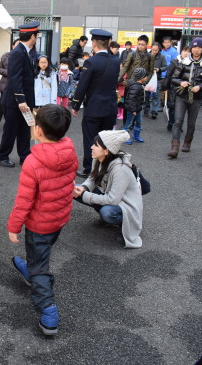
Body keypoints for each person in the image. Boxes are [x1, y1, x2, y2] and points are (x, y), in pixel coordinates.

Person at [7, 104, 77, 336]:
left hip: (39, 224)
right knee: (41, 251)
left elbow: (24, 201)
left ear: (37, 131)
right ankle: (30, 270)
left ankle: (48, 310)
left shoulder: (33, 162)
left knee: (40, 266)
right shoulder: (70, 152)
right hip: (58, 218)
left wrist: (14, 226)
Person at [73, 130, 143, 249]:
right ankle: (106, 220)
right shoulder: (99, 158)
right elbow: (92, 179)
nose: (91, 147)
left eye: (96, 145)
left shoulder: (121, 169)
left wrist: (85, 194)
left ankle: (124, 225)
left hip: (126, 205)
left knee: (107, 212)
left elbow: (113, 200)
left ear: (106, 151)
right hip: (111, 197)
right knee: (75, 190)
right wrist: (83, 188)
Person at [71, 29, 121, 177]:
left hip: (94, 107)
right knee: (106, 141)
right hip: (110, 107)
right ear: (109, 43)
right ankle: (104, 167)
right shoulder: (116, 61)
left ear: (93, 44)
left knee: (90, 139)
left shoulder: (91, 62)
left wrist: (75, 104)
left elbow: (83, 85)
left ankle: (89, 168)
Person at [0, 21, 39, 168]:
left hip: (22, 100)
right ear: (33, 36)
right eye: (36, 35)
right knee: (11, 130)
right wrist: (21, 99)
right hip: (15, 101)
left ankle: (24, 155)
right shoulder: (18, 52)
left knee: (24, 129)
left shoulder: (24, 51)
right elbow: (15, 78)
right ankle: (2, 156)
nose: (37, 37)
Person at [168, 37, 202, 158]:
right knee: (178, 122)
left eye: (199, 48)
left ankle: (187, 143)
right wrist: (181, 83)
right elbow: (174, 78)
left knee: (191, 123)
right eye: (195, 47)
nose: (197, 50)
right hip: (181, 96)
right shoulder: (183, 62)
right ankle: (174, 148)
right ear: (191, 48)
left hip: (196, 97)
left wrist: (200, 86)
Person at [0, 39, 20, 132]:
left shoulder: (23, 57)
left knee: (17, 106)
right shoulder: (6, 56)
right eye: (17, 45)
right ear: (13, 46)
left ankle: (11, 125)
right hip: (5, 85)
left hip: (18, 85)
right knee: (1, 106)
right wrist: (9, 72)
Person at [162, 46, 191, 131]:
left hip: (185, 88)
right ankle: (171, 123)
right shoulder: (175, 62)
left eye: (188, 52)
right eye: (185, 51)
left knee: (182, 108)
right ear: (181, 52)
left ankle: (178, 125)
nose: (186, 53)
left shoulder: (191, 63)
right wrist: (165, 86)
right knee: (172, 106)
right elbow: (168, 74)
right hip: (173, 87)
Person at [122, 68, 149, 144]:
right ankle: (124, 138)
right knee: (128, 123)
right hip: (133, 109)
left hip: (137, 108)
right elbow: (131, 99)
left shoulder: (136, 84)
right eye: (145, 76)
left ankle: (136, 136)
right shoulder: (136, 87)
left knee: (139, 122)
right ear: (141, 77)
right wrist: (133, 110)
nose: (146, 77)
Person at [145, 42, 167, 119]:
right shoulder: (147, 56)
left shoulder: (162, 57)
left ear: (159, 49)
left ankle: (154, 112)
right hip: (147, 78)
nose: (154, 51)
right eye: (153, 50)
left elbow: (165, 67)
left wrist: (159, 69)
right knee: (146, 95)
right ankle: (146, 110)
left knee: (156, 95)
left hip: (157, 78)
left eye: (156, 50)